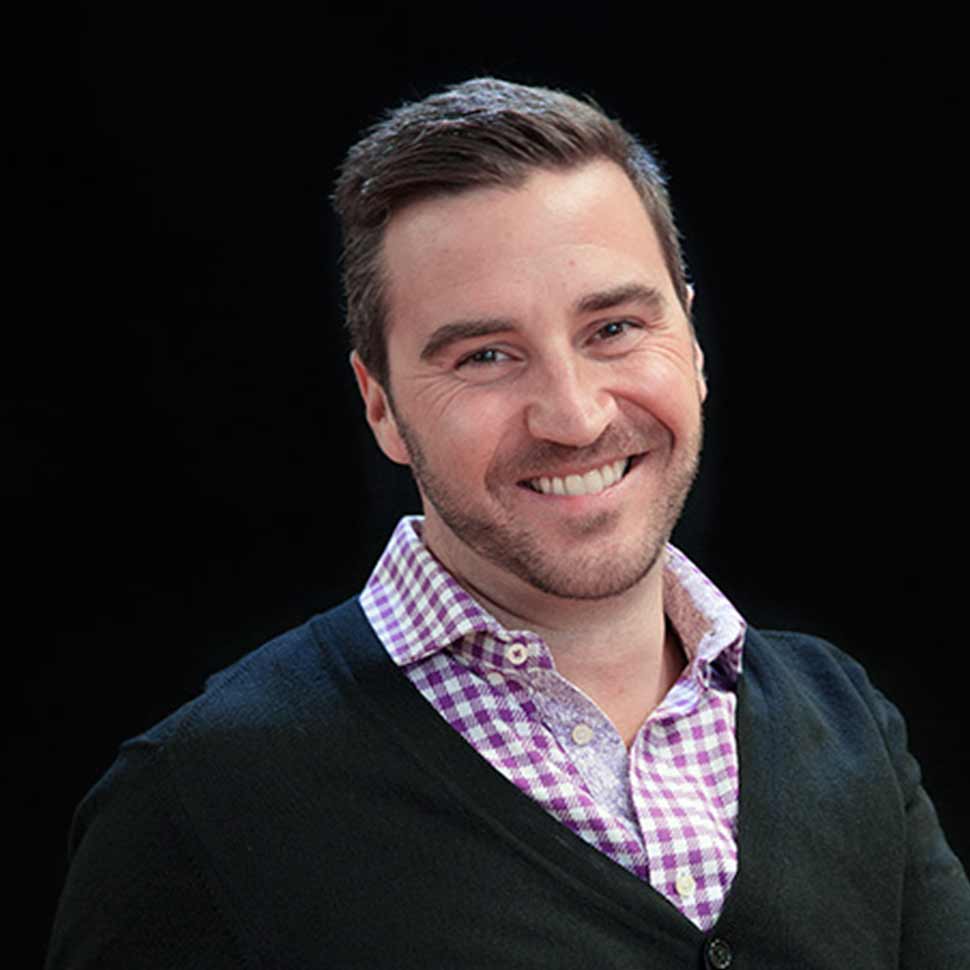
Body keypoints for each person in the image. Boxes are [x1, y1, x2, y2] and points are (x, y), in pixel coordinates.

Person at [47, 78, 969, 969]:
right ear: (378, 405)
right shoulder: (199, 798)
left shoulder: (845, 721)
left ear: (689, 345)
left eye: (612, 329)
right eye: (487, 355)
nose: (573, 416)